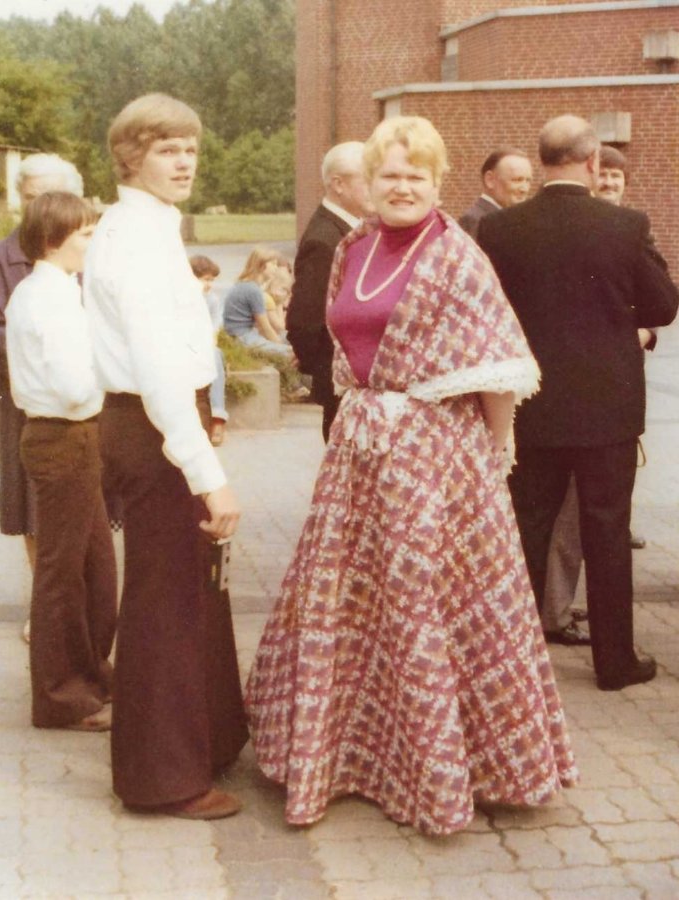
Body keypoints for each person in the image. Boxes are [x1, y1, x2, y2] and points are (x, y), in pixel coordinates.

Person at [246, 115, 577, 836]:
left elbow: (498, 363)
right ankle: (350, 756)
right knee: (352, 602)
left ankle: (456, 769)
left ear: (437, 182)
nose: (401, 187)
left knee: (434, 602)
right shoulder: (353, 247)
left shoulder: (458, 255)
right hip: (361, 451)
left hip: (438, 455)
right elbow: (343, 340)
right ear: (369, 182)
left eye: (416, 176)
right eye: (390, 175)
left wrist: (497, 454)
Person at [84, 93, 248, 820]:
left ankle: (203, 742)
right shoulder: (138, 240)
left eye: (190, 149)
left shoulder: (144, 227)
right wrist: (210, 479)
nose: (185, 162)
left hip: (156, 424)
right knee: (164, 602)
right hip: (154, 428)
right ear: (131, 157)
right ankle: (163, 780)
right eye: (167, 150)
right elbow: (158, 376)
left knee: (186, 592)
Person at [478, 115, 679, 691]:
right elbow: (663, 306)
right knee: (608, 531)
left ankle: (510, 661)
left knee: (526, 527)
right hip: (607, 409)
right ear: (593, 161)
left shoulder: (501, 229)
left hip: (531, 403)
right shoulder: (625, 225)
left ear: (542, 160)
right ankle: (615, 662)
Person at [6, 192, 116, 732]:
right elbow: (74, 387)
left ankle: (91, 676)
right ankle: (60, 698)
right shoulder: (48, 298)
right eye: (86, 235)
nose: (94, 244)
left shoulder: (55, 289)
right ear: (54, 240)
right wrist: (114, 376)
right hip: (63, 435)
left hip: (72, 438)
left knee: (96, 568)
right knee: (63, 574)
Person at [541, 144, 653, 646]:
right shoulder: (616, 230)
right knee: (584, 520)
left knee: (571, 518)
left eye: (616, 178)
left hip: (582, 398)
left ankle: (550, 613)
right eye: (602, 175)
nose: (608, 184)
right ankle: (566, 619)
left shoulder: (633, 230)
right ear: (589, 173)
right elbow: (661, 303)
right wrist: (636, 331)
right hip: (593, 402)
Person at [0, 154, 84, 642]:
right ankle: (46, 607)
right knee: (33, 505)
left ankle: (82, 605)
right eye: (28, 198)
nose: (36, 207)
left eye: (47, 196)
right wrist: (44, 372)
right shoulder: (1, 258)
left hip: (89, 401)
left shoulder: (89, 250)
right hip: (29, 401)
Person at [286, 141, 373, 441]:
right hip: (342, 387)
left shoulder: (347, 229)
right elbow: (304, 322)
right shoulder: (324, 240)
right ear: (338, 184)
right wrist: (326, 370)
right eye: (367, 177)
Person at [223, 247, 294, 356]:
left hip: (240, 335)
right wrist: (281, 346)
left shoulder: (245, 285)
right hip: (243, 338)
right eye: (273, 264)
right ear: (262, 265)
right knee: (290, 352)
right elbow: (265, 327)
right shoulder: (253, 290)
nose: (276, 268)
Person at [189, 255, 228, 446]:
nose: (209, 285)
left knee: (215, 355)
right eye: (205, 279)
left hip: (204, 345)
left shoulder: (211, 300)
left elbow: (215, 326)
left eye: (212, 280)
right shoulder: (183, 299)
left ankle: (218, 417)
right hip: (186, 345)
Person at [458, 147, 533, 239]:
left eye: (528, 181)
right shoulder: (475, 221)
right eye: (517, 180)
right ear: (490, 180)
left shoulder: (515, 220)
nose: (524, 189)